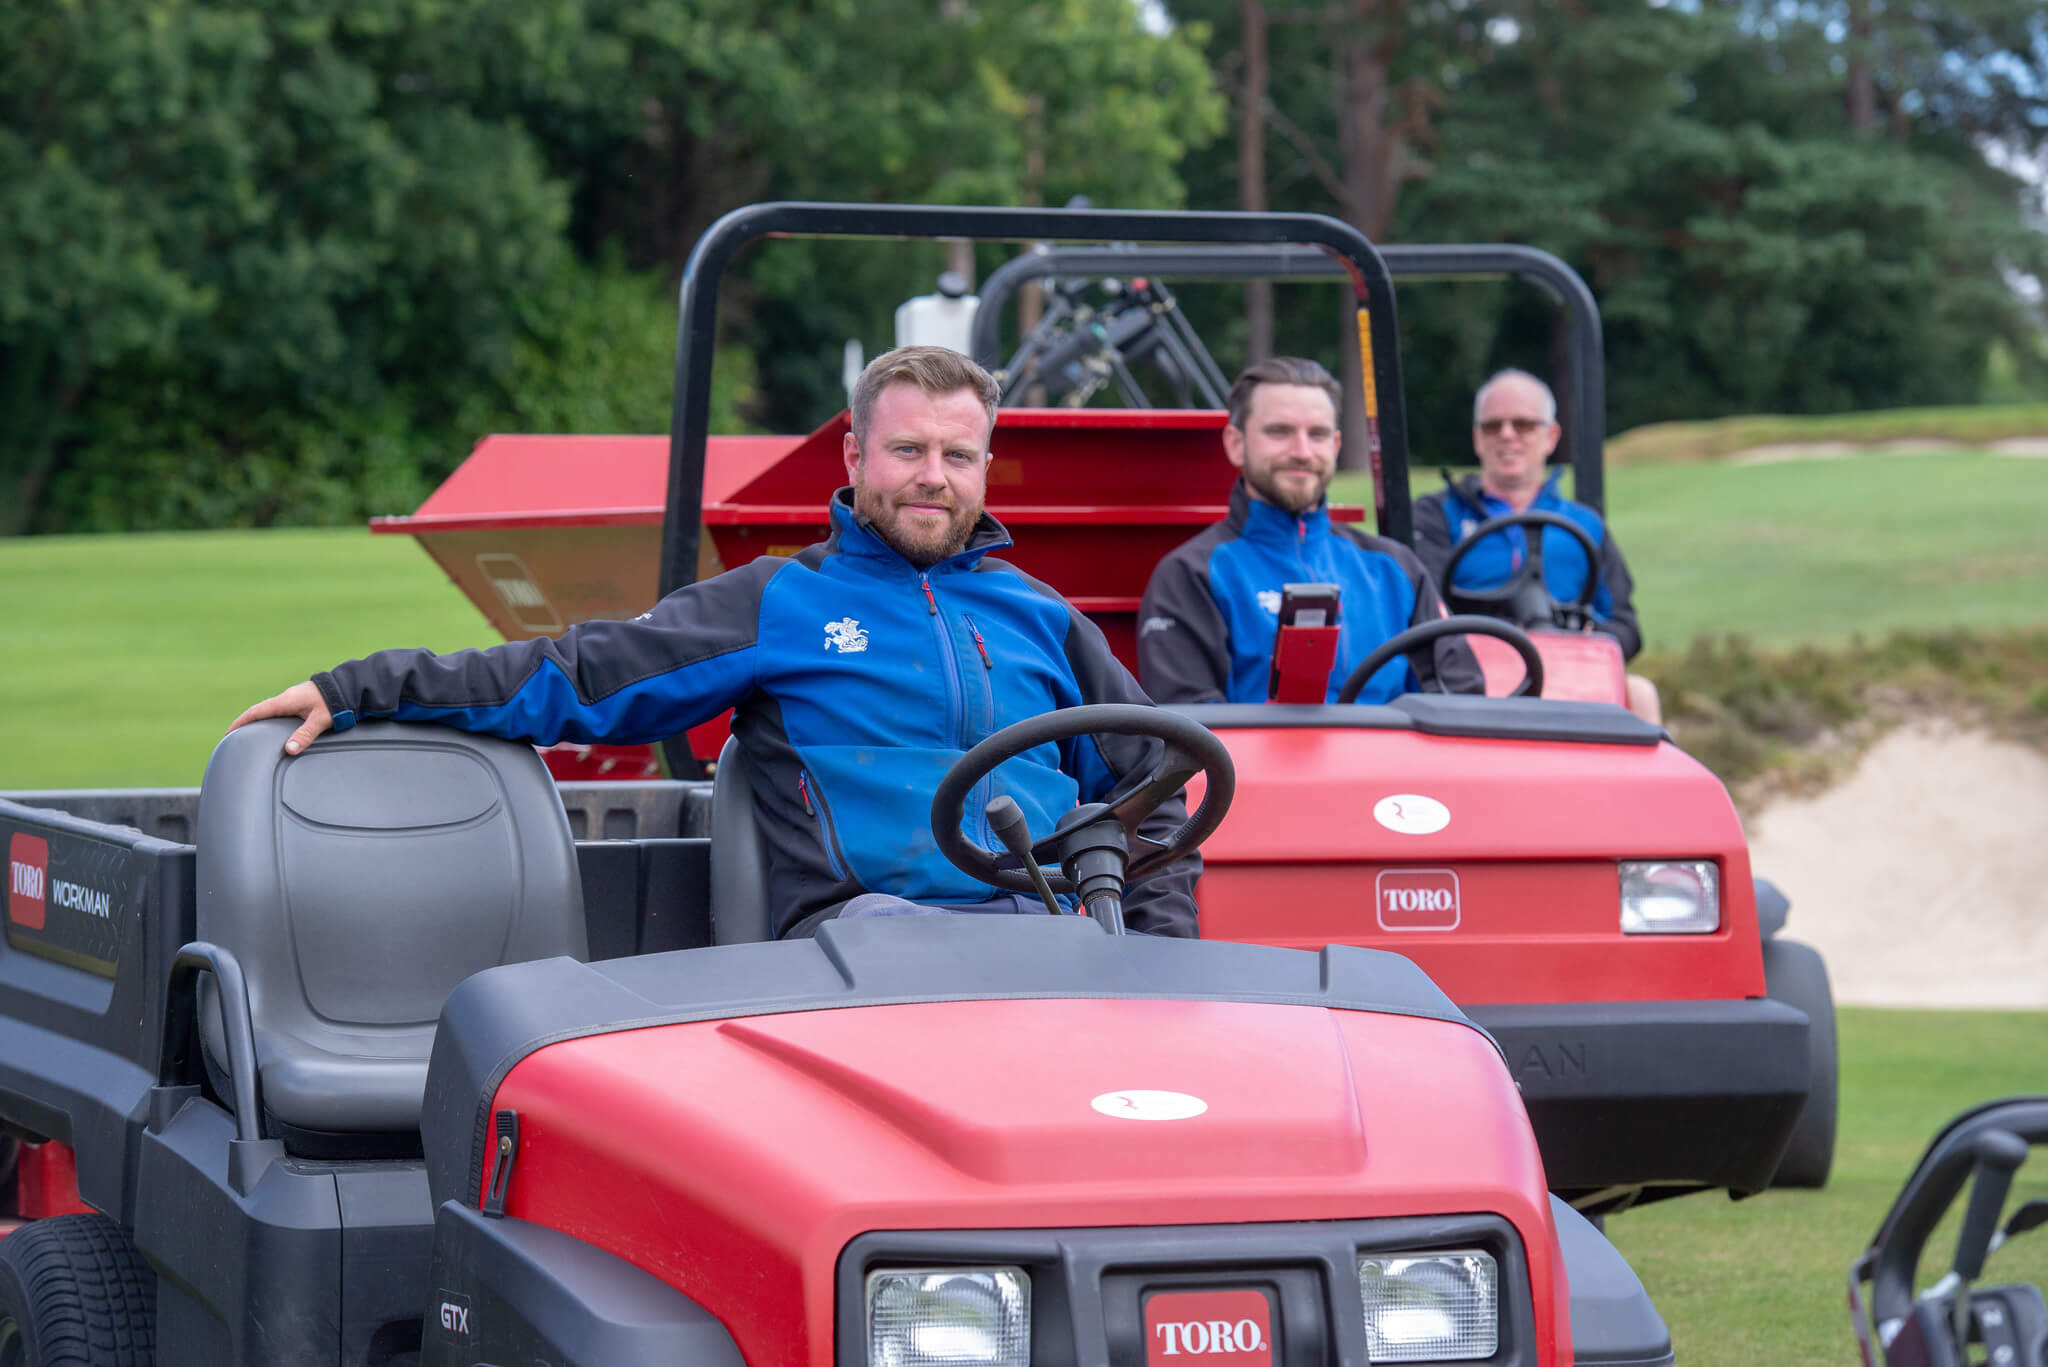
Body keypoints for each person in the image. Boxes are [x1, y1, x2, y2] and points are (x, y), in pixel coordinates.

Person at [231, 346, 1200, 938]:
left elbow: (1153, 784)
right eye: (907, 450)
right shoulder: (781, 600)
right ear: (856, 455)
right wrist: (361, 688)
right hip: (870, 941)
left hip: (1045, 932)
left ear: (985, 466)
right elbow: (581, 676)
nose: (931, 477)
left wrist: (1158, 954)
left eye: (956, 455)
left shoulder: (1041, 616)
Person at [1137, 357, 1481, 705]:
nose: (1301, 452)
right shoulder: (1191, 576)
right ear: (1236, 444)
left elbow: (1461, 701)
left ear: (1335, 446)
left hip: (1390, 745)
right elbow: (1187, 724)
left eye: (1317, 434)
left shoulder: (1396, 569)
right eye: (1279, 432)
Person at [1413, 367, 1659, 721]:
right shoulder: (1437, 515)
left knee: (1642, 694)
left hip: (1571, 676)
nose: (1507, 435)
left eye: (1524, 425)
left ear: (1551, 436)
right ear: (1478, 439)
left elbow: (1626, 625)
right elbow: (1426, 609)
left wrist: (1582, 638)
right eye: (1493, 426)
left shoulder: (1584, 524)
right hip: (1471, 678)